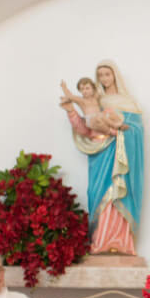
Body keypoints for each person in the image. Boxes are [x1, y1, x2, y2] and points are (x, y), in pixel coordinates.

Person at [61, 59, 144, 257]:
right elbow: (85, 129)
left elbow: (137, 129)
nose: (104, 79)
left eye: (107, 74)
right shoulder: (96, 100)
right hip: (100, 154)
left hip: (122, 155)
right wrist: (71, 112)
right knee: (97, 193)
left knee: (119, 194)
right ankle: (101, 241)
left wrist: (121, 132)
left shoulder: (128, 102)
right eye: (100, 75)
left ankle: (121, 242)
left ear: (115, 75)